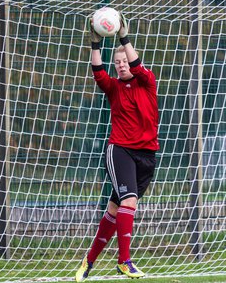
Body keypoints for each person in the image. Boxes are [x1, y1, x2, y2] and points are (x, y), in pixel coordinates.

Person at [75, 14, 159, 282]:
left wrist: (124, 37)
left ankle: (87, 263)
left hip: (147, 154)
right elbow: (98, 73)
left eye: (125, 61)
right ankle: (124, 261)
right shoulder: (114, 88)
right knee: (129, 201)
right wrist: (95, 43)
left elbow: (136, 62)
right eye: (118, 62)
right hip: (120, 149)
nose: (122, 65)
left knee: (114, 211)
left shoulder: (147, 81)